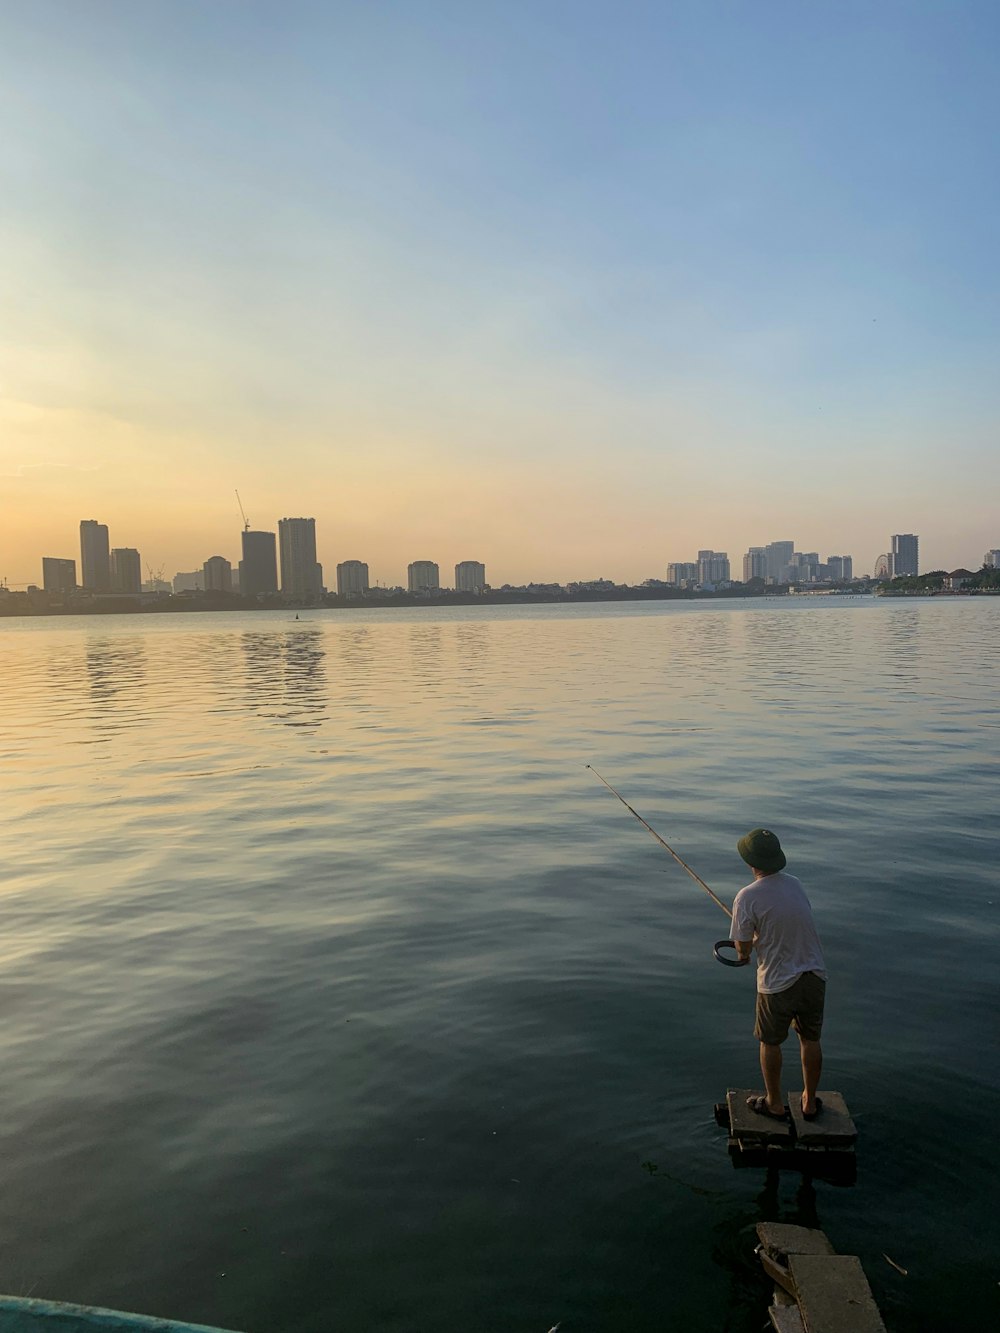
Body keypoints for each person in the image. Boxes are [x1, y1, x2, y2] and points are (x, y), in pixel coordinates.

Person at [731, 827, 827, 1121]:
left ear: (751, 862)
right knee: (810, 1039)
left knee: (770, 1042)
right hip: (814, 974)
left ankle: (773, 1103)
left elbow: (743, 950)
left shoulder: (746, 897)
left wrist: (745, 951)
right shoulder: (795, 884)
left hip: (777, 982)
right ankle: (809, 1101)